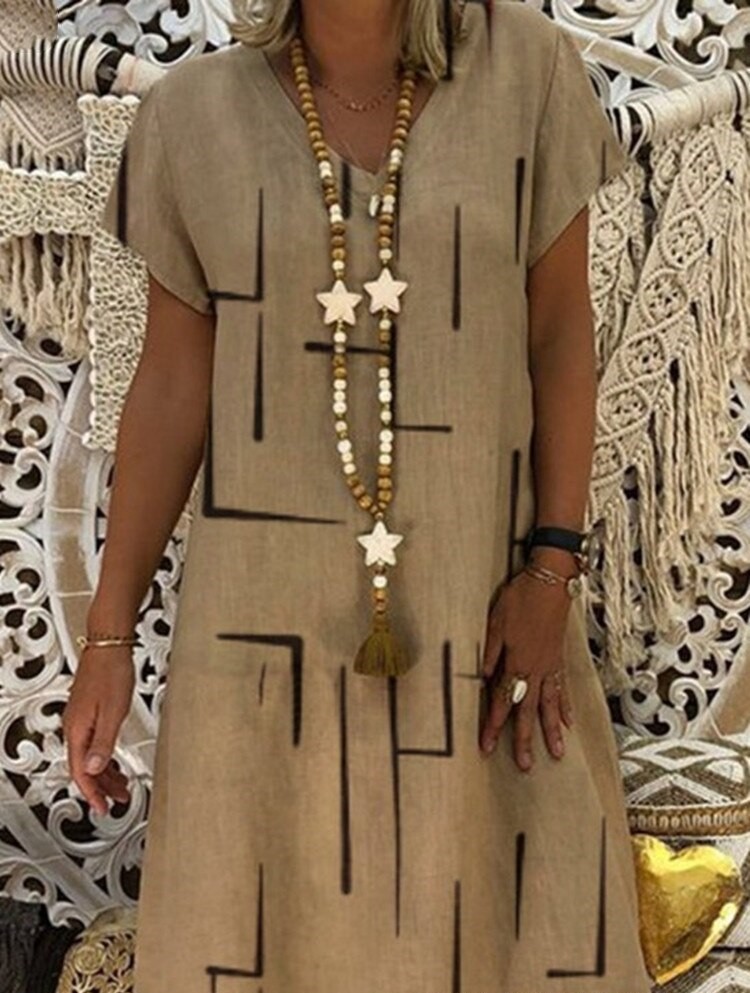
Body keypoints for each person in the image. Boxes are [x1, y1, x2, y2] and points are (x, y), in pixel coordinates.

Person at [62, 1, 654, 990]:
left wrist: (552, 570)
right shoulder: (194, 117)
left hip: (482, 626)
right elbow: (169, 388)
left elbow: (560, 335)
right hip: (259, 653)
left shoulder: (529, 75)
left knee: (512, 931)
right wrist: (108, 637)